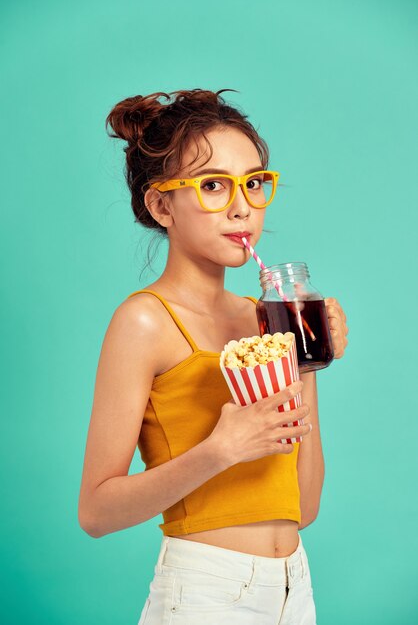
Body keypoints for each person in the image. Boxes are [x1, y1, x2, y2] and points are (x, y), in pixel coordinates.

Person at [78, 89, 349, 625]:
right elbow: (96, 512)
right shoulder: (144, 321)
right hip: (206, 590)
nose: (242, 205)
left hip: (295, 588)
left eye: (253, 182)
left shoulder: (262, 319)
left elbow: (304, 506)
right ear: (161, 205)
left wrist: (305, 358)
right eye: (212, 186)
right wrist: (220, 449)